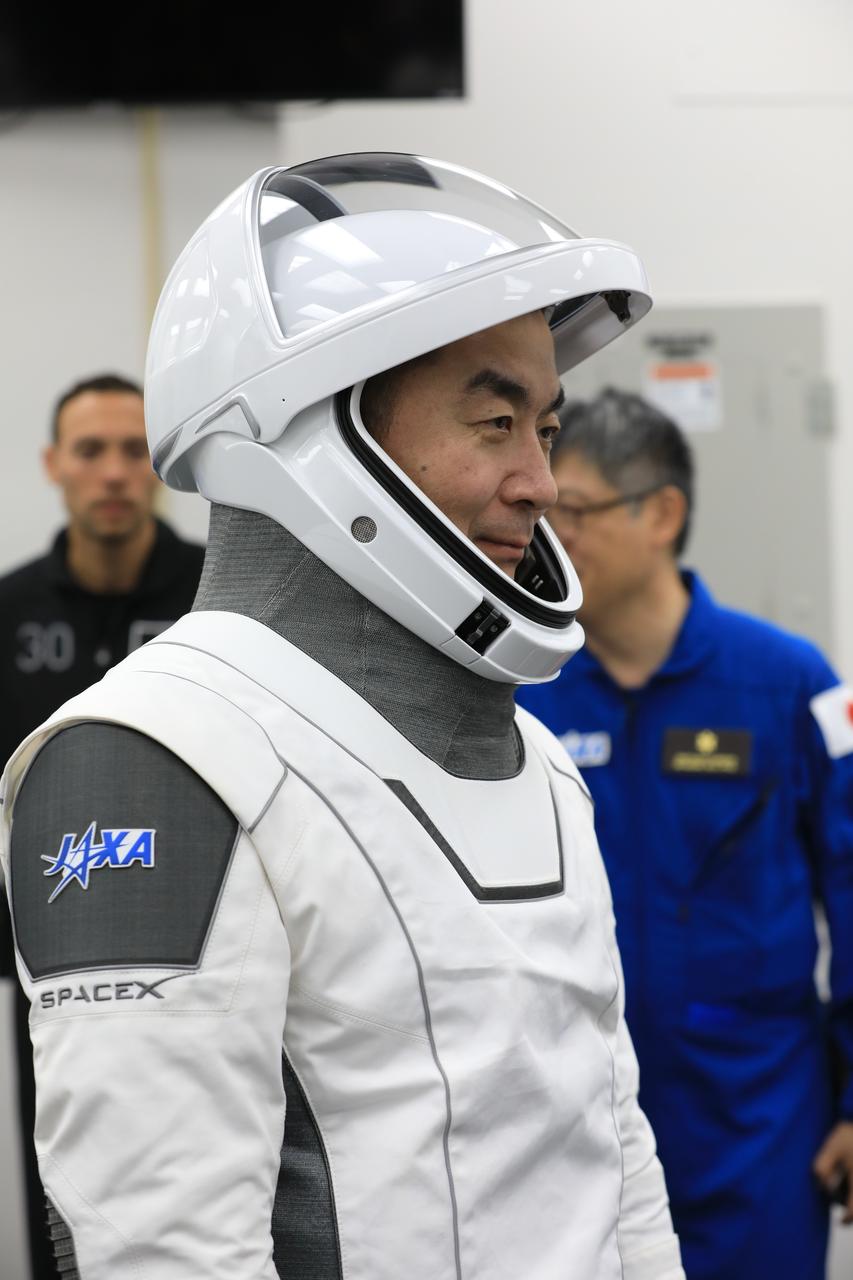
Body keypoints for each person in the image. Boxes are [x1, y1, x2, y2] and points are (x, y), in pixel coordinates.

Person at [0, 155, 684, 1279]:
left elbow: (616, 1157)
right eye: (495, 421)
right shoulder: (152, 760)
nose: (540, 482)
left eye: (545, 429)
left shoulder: (540, 764)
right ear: (317, 429)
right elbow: (164, 1250)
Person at [517, 387, 853, 1280]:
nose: (549, 538)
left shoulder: (786, 684)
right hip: (569, 1117)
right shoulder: (521, 698)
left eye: (573, 512)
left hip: (755, 1122)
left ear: (660, 514)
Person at [0, 372, 204, 1280]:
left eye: (132, 451)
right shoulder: (7, 612)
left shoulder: (219, 600)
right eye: (91, 451)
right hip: (48, 971)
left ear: (158, 465)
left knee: (203, 1195)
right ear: (54, 465)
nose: (114, 473)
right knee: (65, 1196)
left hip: (203, 959)